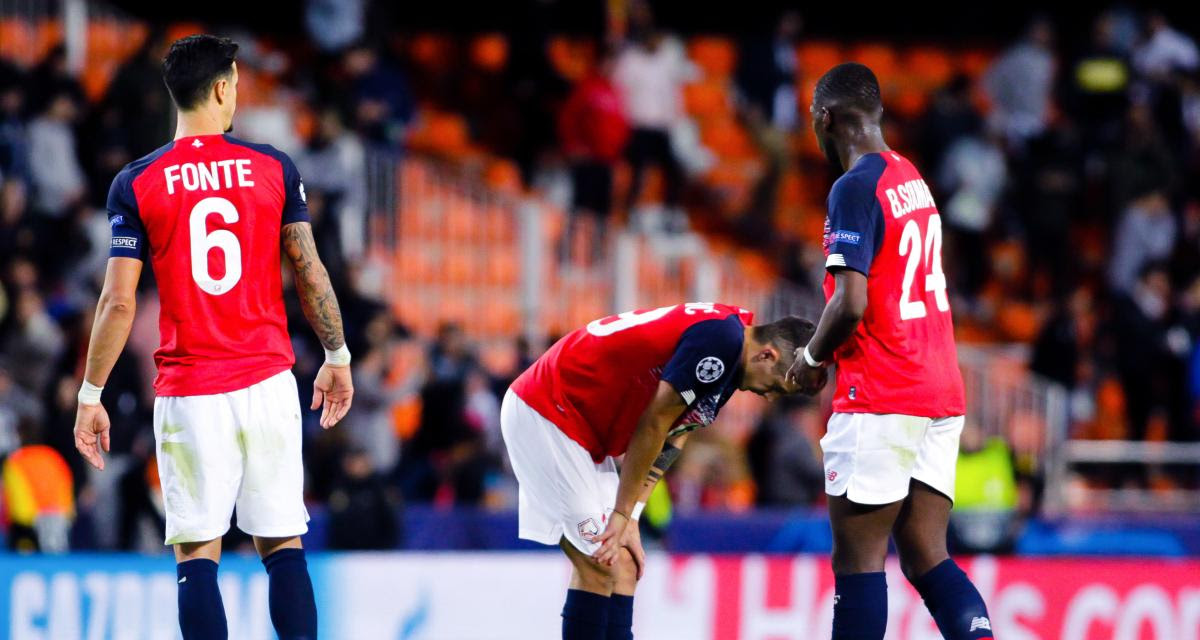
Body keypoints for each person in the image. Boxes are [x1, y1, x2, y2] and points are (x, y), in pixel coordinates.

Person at [71, 35, 354, 640]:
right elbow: (308, 268)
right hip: (269, 380)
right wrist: (337, 354)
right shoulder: (275, 167)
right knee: (283, 541)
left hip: (191, 389)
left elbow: (119, 300)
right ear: (224, 87)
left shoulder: (137, 182)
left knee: (198, 555)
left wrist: (90, 394)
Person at [787, 63, 992, 640]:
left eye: (812, 122)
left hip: (882, 392)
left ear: (826, 119)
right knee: (928, 557)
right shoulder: (911, 177)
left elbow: (850, 303)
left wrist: (808, 361)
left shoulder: (852, 187)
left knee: (858, 566)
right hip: (940, 392)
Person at [501, 302, 811, 640]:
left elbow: (675, 436)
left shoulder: (730, 353)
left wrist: (632, 515)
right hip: (549, 410)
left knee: (625, 565)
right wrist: (620, 512)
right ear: (767, 356)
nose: (769, 398)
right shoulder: (721, 341)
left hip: (580, 431)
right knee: (598, 560)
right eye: (778, 387)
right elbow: (655, 422)